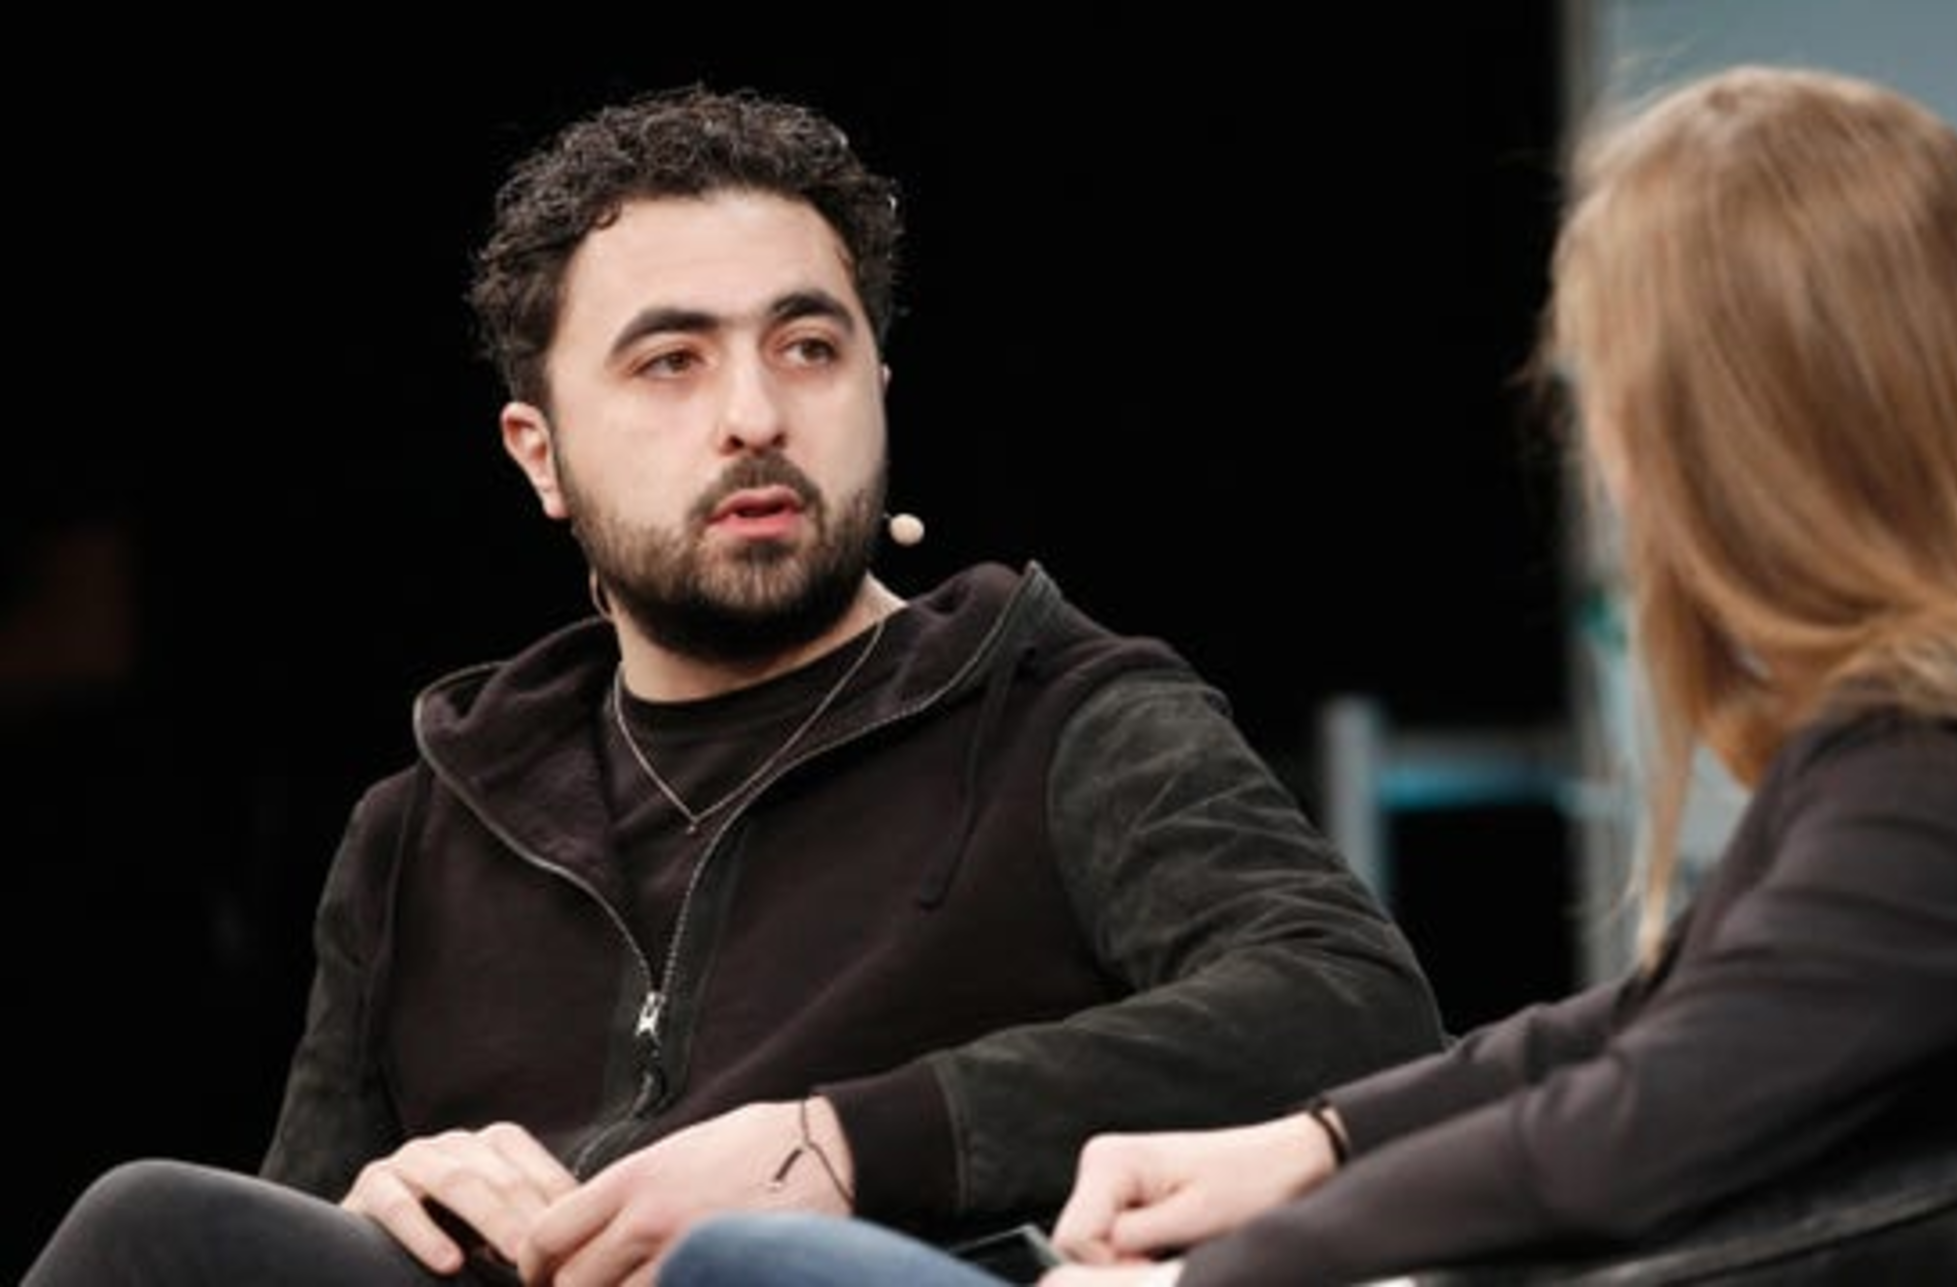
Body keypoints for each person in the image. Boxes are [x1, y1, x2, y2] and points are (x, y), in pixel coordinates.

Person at [645, 63, 1957, 1287]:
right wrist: (1306, 1145)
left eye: (1611, 401)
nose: (1610, 469)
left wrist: (1219, 1278)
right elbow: (1633, 1028)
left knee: (747, 1263)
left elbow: (1632, 1123)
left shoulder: (1955, 756)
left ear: (1748, 431)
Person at [24, 84, 1450, 1286]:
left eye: (807, 348)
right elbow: (293, 1226)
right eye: (670, 362)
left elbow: (1352, 1006)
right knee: (154, 1225)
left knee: (749, 1264)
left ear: (878, 388)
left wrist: (844, 1145)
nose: (754, 415)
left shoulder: (1062, 711)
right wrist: (378, 1200)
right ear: (539, 454)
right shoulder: (420, 833)